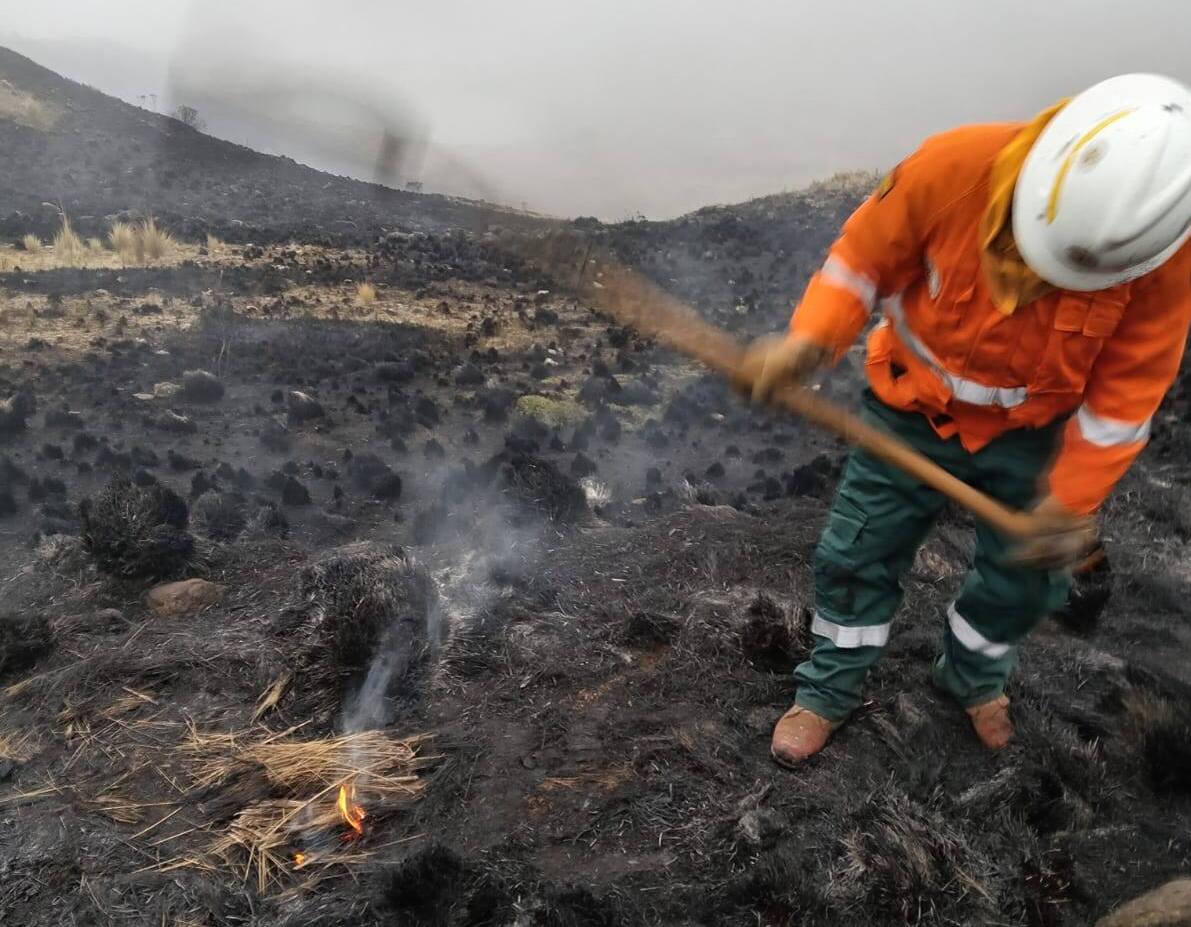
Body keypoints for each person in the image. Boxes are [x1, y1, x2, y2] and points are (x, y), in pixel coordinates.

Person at [739, 73, 1191, 766]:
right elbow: (861, 262)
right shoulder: (950, 168)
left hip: (1029, 439)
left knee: (1027, 578)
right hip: (905, 412)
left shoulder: (1159, 260)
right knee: (856, 552)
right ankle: (830, 686)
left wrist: (1068, 503)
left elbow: (1123, 401)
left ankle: (970, 672)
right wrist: (809, 342)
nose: (1027, 287)